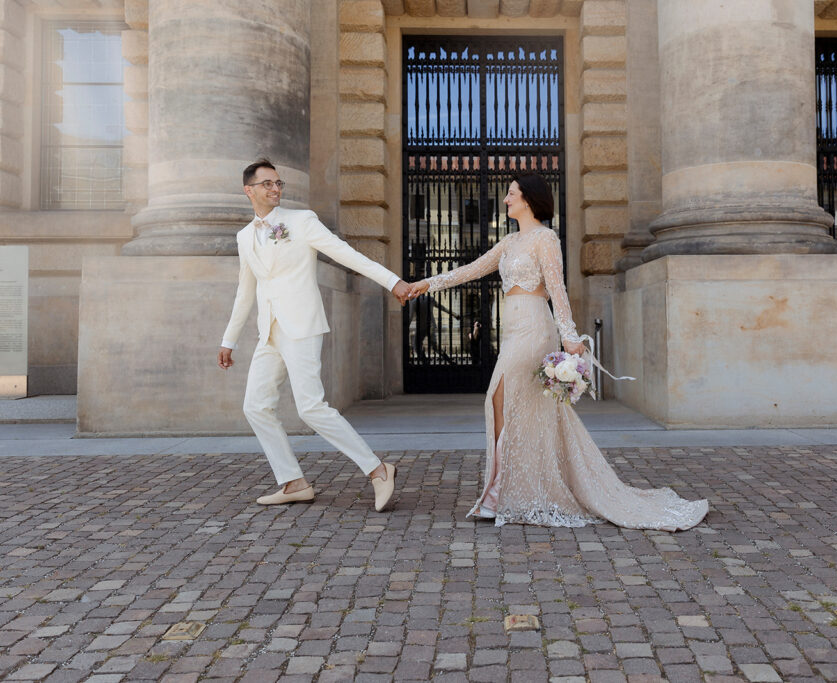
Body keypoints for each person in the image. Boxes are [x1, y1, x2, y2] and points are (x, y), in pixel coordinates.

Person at [407, 174, 708, 530]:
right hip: (512, 329)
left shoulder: (545, 238)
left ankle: (498, 493)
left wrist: (569, 337)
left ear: (529, 200)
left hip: (535, 329)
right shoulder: (507, 242)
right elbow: (469, 271)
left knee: (498, 397)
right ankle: (507, 490)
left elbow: (557, 289)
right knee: (512, 406)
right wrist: (424, 285)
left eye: (511, 194)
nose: (505, 199)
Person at [218, 159, 406, 511]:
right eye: (267, 184)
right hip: (269, 331)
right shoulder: (245, 236)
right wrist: (229, 340)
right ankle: (293, 482)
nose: (276, 189)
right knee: (255, 406)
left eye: (279, 183)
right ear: (249, 190)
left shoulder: (301, 221)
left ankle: (379, 471)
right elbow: (245, 290)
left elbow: (348, 256)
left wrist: (392, 281)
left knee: (310, 408)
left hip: (302, 325)